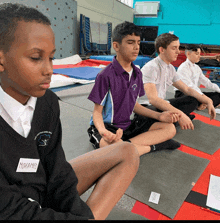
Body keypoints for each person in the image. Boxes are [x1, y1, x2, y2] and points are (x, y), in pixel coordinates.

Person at [0, 3, 141, 220]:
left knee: (127, 152)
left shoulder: (47, 102)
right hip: (13, 206)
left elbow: (58, 171)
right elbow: (12, 211)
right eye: (36, 58)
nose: (49, 70)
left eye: (51, 58)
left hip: (41, 185)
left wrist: (82, 215)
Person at [87, 22, 181, 157]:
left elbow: (134, 105)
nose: (136, 47)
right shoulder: (105, 75)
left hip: (128, 126)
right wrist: (103, 132)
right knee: (112, 153)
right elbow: (97, 112)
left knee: (169, 128)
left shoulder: (137, 73)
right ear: (116, 46)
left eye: (138, 42)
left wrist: (159, 116)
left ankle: (126, 148)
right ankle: (153, 146)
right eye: (130, 42)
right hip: (107, 127)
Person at [139, 33, 216, 131]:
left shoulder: (170, 68)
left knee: (191, 100)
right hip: (147, 108)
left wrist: (208, 101)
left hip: (161, 105)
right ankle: (174, 120)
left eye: (178, 48)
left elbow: (187, 89)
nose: (178, 52)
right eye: (174, 48)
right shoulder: (151, 67)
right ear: (162, 50)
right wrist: (181, 114)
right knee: (166, 113)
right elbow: (153, 100)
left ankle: (173, 120)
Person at [175, 44, 220, 110]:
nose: (199, 56)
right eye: (197, 54)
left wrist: (219, 90)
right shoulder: (183, 67)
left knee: (218, 95)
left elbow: (207, 82)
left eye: (199, 54)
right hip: (183, 93)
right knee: (192, 99)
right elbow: (190, 87)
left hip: (195, 93)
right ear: (188, 54)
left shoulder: (197, 68)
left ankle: (202, 104)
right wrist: (202, 97)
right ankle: (200, 104)